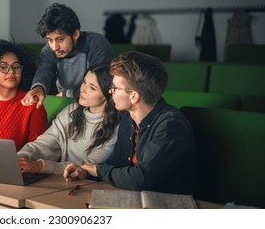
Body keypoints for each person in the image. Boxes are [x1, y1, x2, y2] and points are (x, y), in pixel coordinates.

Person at [63, 51, 196, 195]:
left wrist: (98, 170)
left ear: (134, 96)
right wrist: (86, 172)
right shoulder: (128, 119)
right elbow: (118, 168)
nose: (110, 91)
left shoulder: (171, 126)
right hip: (131, 198)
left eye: (114, 87)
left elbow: (141, 179)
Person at [18, 63, 120, 174]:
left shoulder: (118, 126)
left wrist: (41, 166)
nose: (82, 89)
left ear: (108, 94)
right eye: (84, 82)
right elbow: (44, 144)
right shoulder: (71, 110)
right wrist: (20, 158)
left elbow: (87, 166)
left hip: (93, 185)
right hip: (61, 180)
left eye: (92, 87)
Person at [21, 3, 113, 108]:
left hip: (97, 107)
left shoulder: (97, 45)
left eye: (60, 39)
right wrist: (38, 89)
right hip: (66, 106)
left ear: (76, 34)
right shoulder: (48, 50)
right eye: (50, 40)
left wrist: (67, 94)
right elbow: (44, 72)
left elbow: (100, 85)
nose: (55, 47)